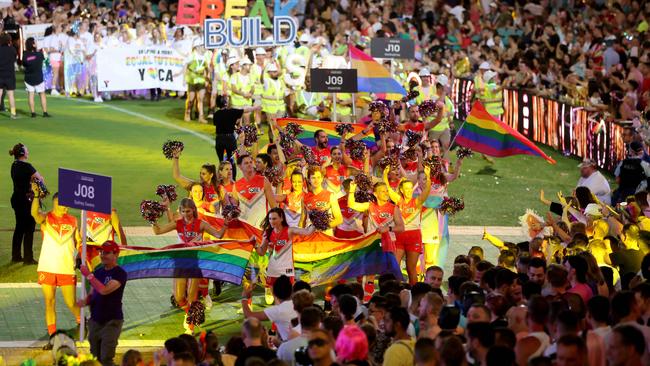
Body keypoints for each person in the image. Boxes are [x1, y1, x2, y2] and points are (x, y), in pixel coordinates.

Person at [152, 197, 229, 333]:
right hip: (180, 264)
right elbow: (158, 231)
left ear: (193, 210)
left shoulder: (201, 224)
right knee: (178, 297)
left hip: (195, 264)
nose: (186, 214)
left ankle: (191, 326)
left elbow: (218, 235)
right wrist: (152, 219)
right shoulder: (177, 223)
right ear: (180, 211)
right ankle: (190, 313)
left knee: (192, 298)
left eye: (188, 211)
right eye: (183, 211)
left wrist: (226, 223)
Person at [31, 190, 80, 337]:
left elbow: (78, 241)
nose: (67, 208)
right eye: (65, 205)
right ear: (56, 203)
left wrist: (80, 255)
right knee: (49, 301)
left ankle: (82, 320)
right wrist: (36, 196)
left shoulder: (73, 220)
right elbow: (35, 214)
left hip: (66, 267)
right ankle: (52, 335)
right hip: (48, 266)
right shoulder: (46, 218)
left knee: (71, 302)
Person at [77, 241, 127, 366]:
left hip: (112, 321)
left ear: (116, 254)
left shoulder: (120, 273)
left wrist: (88, 275)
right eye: (102, 252)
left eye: (107, 253)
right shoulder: (98, 272)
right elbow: (93, 294)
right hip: (95, 321)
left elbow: (104, 290)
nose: (103, 255)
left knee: (106, 358)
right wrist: (85, 301)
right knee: (95, 359)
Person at [384, 165, 432, 284]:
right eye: (407, 188)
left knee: (411, 270)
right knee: (394, 267)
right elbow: (388, 189)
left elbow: (427, 191)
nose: (409, 191)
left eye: (411, 188)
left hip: (414, 237)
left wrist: (429, 177)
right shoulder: (398, 200)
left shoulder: (417, 201)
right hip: (399, 237)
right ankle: (396, 290)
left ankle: (413, 294)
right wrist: (385, 175)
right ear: (401, 190)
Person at [9, 143, 43, 264]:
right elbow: (40, 179)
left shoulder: (14, 165)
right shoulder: (27, 166)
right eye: (27, 150)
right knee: (29, 228)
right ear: (23, 153)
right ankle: (28, 258)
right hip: (26, 201)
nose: (28, 152)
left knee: (19, 228)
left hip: (16, 199)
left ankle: (16, 255)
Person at [22, 37, 50, 118]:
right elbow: (45, 58)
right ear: (33, 44)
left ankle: (33, 113)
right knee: (42, 94)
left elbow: (24, 64)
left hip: (28, 78)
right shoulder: (39, 54)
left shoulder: (25, 55)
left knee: (31, 95)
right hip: (38, 78)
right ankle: (45, 112)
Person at [0, 33, 17, 118]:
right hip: (10, 75)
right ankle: (13, 114)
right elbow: (14, 59)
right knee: (11, 95)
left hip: (0, 74)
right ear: (9, 40)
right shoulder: (12, 49)